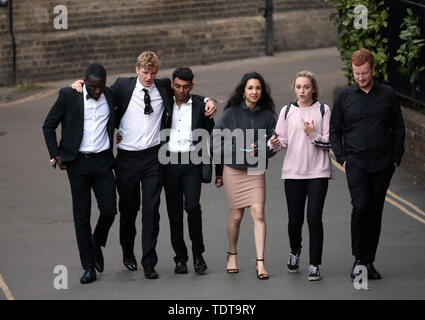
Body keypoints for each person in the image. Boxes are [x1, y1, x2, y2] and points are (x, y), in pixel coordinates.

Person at [71, 51, 216, 279]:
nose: (149, 77)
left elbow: (186, 94)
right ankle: (128, 253)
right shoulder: (122, 87)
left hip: (153, 159)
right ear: (136, 69)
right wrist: (81, 83)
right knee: (129, 211)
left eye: (153, 73)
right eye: (145, 72)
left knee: (152, 212)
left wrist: (208, 100)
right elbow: (99, 91)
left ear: (157, 72)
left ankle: (149, 262)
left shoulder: (163, 87)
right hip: (127, 158)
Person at [330, 48, 405, 280]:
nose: (360, 77)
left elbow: (398, 128)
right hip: (356, 162)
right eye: (356, 73)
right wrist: (342, 158)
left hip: (382, 164)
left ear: (372, 69)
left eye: (364, 73)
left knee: (375, 212)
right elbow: (335, 130)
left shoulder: (388, 95)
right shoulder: (344, 97)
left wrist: (395, 158)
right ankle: (358, 259)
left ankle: (369, 261)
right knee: (360, 207)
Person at [42, 64, 117, 284]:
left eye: (101, 87)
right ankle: (88, 266)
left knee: (110, 210)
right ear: (84, 81)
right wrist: (55, 155)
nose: (97, 91)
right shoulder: (68, 95)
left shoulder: (110, 94)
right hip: (77, 164)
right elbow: (48, 125)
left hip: (103, 162)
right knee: (81, 217)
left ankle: (96, 242)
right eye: (93, 87)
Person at [268, 70, 332, 281]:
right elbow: (281, 140)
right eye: (298, 87)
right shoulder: (287, 111)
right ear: (294, 88)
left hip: (318, 173)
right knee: (294, 220)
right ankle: (295, 251)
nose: (302, 91)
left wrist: (312, 134)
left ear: (313, 88)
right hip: (293, 173)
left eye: (306, 87)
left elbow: (329, 142)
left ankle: (315, 264)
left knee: (314, 218)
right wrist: (274, 143)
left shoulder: (323, 110)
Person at [213, 72, 277, 280]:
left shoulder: (268, 115)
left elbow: (274, 144)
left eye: (258, 88)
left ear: (262, 91)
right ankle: (232, 254)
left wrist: (264, 149)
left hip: (255, 169)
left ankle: (260, 262)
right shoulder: (231, 113)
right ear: (243, 91)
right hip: (233, 168)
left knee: (258, 213)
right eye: (250, 88)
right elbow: (216, 139)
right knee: (236, 216)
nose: (254, 92)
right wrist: (238, 147)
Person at [163, 67, 215, 275]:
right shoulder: (165, 101)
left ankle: (197, 254)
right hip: (168, 163)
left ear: (192, 86)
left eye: (186, 87)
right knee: (174, 213)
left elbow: (213, 134)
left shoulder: (201, 106)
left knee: (192, 207)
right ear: (172, 85)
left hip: (192, 162)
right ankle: (180, 258)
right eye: (177, 86)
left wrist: (210, 102)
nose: (181, 91)